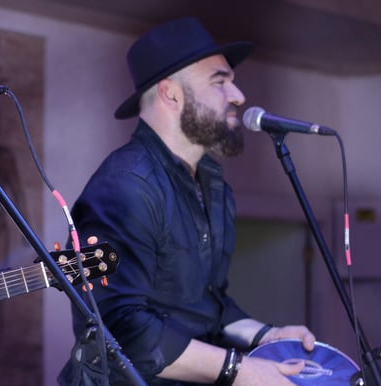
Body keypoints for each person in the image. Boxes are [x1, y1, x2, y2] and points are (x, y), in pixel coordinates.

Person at [60, 17, 316, 385]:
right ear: (171, 94)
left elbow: (207, 306)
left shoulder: (212, 184)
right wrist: (240, 370)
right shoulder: (125, 186)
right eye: (220, 82)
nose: (239, 95)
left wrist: (266, 337)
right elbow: (121, 331)